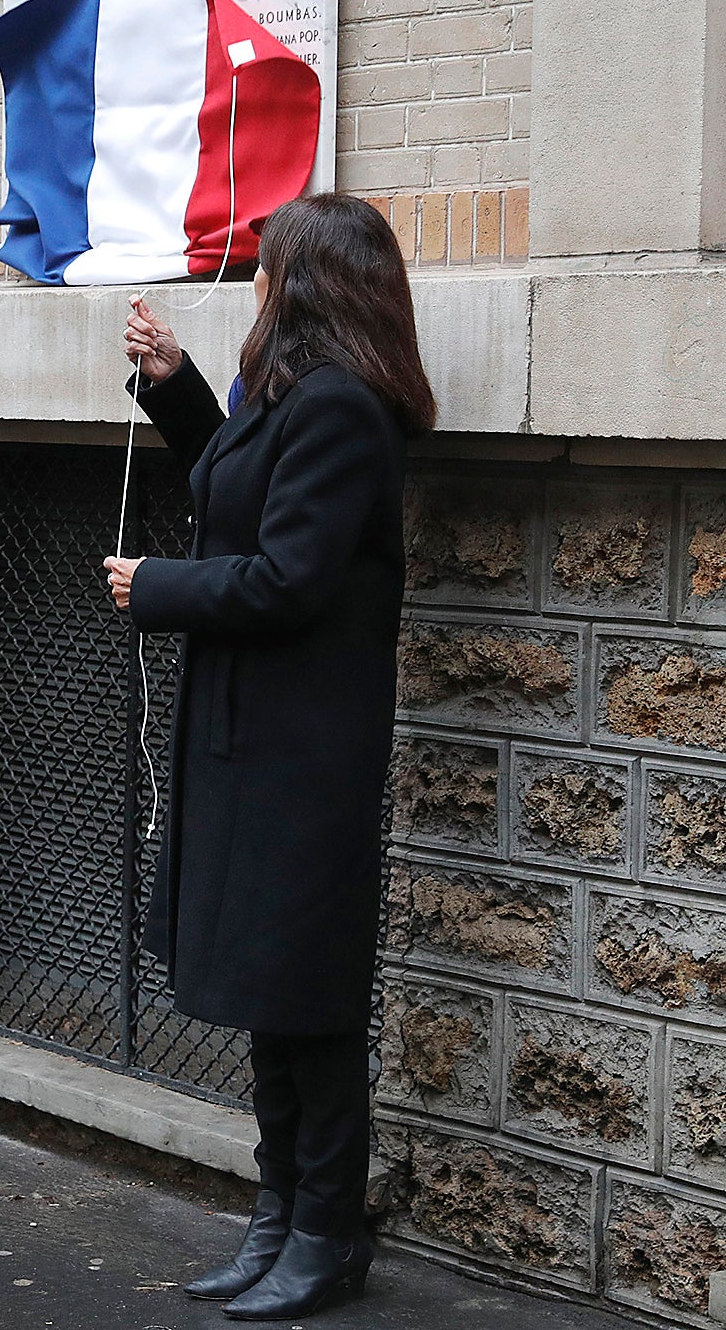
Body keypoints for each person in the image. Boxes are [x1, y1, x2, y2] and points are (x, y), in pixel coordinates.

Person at [105, 193, 437, 1321]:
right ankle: (274, 1215)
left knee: (306, 1001)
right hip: (248, 737)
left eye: (263, 268)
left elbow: (288, 575)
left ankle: (325, 1234)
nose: (250, 282)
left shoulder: (343, 408)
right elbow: (232, 483)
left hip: (302, 755)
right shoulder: (295, 399)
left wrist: (155, 587)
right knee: (263, 992)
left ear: (302, 286)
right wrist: (177, 383)